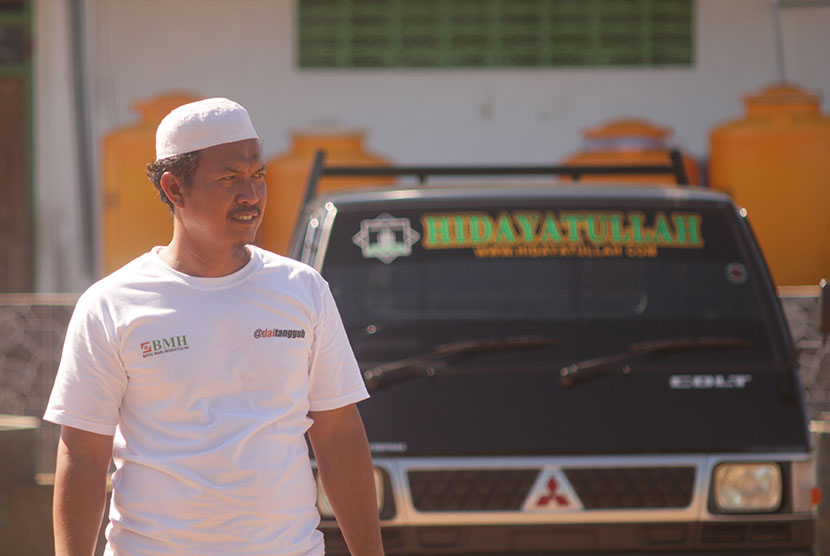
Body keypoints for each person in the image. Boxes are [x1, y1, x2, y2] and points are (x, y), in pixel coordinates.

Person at [44, 98, 384, 556]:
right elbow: (83, 454)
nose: (251, 195)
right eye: (229, 178)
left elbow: (338, 433)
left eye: (258, 175)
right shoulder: (110, 305)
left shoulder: (302, 290)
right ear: (174, 187)